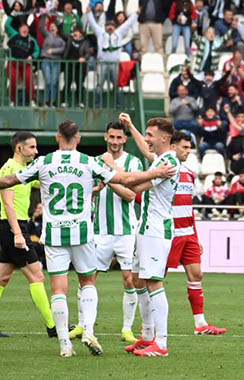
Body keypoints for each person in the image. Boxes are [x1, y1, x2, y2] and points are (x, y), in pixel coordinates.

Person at [0, 119, 176, 357]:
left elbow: (9, 181)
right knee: (88, 282)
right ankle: (88, 330)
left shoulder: (44, 162)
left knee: (59, 288)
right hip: (82, 232)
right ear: (78, 139)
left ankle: (64, 345)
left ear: (57, 138)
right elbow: (126, 181)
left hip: (54, 234)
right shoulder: (89, 162)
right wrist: (156, 172)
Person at [111, 116, 181, 357]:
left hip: (156, 229)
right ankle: (148, 335)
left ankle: (160, 344)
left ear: (164, 138)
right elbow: (146, 151)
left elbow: (136, 187)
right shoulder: (161, 160)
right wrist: (131, 127)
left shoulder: (169, 163)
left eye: (151, 135)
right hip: (146, 226)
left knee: (153, 282)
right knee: (138, 279)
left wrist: (112, 169)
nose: (147, 139)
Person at [0, 132, 56, 338]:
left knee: (1, 278)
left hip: (13, 228)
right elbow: (8, 204)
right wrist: (19, 234)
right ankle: (52, 327)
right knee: (37, 275)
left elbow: (47, 182)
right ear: (19, 148)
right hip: (13, 228)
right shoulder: (10, 168)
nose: (36, 151)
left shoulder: (26, 170)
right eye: (31, 147)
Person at [85, 121, 144, 343]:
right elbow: (87, 190)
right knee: (88, 278)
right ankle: (84, 326)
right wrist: (97, 188)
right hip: (100, 231)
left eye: (119, 138)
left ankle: (127, 329)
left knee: (129, 280)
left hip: (126, 231)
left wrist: (108, 177)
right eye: (112, 137)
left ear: (125, 139)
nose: (115, 142)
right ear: (105, 137)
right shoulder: (94, 162)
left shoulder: (134, 162)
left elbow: (131, 196)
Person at [165, 131, 227, 335]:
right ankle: (147, 326)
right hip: (167, 234)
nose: (188, 151)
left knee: (197, 274)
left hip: (188, 233)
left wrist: (196, 236)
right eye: (184, 147)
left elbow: (188, 207)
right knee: (154, 279)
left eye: (189, 148)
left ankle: (200, 323)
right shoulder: (162, 170)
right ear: (172, 147)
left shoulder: (190, 173)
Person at [86, 7, 139, 108]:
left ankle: (119, 105)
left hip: (115, 63)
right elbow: (93, 24)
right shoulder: (101, 34)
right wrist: (89, 14)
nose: (110, 28)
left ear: (115, 27)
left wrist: (136, 14)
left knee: (117, 86)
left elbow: (128, 24)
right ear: (105, 27)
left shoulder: (119, 33)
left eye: (112, 26)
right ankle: (97, 105)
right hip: (102, 63)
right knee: (99, 85)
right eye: (108, 26)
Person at [6, 23, 39, 107]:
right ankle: (12, 101)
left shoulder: (31, 40)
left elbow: (37, 50)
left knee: (29, 81)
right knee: (13, 80)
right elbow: (7, 25)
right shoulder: (14, 35)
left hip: (25, 64)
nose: (25, 30)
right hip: (13, 62)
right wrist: (12, 14)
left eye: (27, 28)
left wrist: (32, 56)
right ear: (19, 29)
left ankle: (32, 100)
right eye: (23, 28)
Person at [39, 14, 66, 107]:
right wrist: (44, 15)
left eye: (54, 26)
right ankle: (46, 101)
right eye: (50, 26)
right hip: (46, 60)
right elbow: (41, 27)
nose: (52, 28)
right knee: (48, 81)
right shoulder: (47, 35)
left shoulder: (61, 38)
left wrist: (53, 51)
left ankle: (53, 101)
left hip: (56, 61)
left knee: (54, 82)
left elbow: (63, 48)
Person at [61, 27, 92, 108]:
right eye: (74, 31)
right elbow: (62, 33)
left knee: (79, 84)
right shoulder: (70, 40)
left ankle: (80, 102)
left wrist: (84, 58)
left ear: (81, 34)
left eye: (77, 32)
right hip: (69, 65)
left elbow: (88, 53)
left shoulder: (85, 42)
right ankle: (63, 101)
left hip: (80, 66)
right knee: (67, 83)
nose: (75, 33)